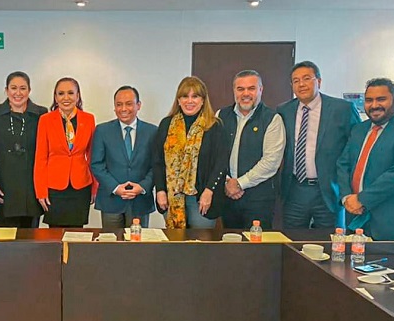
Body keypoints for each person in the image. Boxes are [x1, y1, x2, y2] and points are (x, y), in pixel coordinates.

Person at [337, 78, 394, 258]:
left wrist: (362, 199)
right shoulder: (359, 130)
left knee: (393, 274)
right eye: (369, 100)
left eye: (381, 99)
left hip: (392, 225)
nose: (374, 105)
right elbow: (343, 164)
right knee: (353, 273)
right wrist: (347, 197)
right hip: (356, 219)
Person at [277, 61, 361, 229]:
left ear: (319, 81)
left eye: (306, 78)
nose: (301, 84)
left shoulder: (342, 109)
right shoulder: (284, 110)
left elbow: (356, 147)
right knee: (292, 239)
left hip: (329, 190)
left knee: (330, 241)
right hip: (295, 190)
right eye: (296, 81)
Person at [153, 76, 228, 229]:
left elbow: (220, 163)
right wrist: (160, 190)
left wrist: (209, 191)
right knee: (175, 241)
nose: (189, 101)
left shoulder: (214, 126)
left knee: (201, 241)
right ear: (178, 100)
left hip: (201, 198)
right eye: (185, 96)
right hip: (172, 197)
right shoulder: (166, 124)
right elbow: (157, 161)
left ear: (203, 100)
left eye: (195, 96)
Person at [219, 70, 285, 229]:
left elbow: (271, 162)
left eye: (251, 88)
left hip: (259, 200)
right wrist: (227, 182)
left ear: (261, 90)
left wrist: (239, 184)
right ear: (234, 91)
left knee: (257, 243)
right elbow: (214, 155)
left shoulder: (272, 119)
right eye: (240, 89)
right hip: (227, 195)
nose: (245, 94)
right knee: (230, 241)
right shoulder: (221, 115)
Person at [0, 72, 48, 228]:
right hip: (4, 186)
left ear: (29, 90)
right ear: (6, 90)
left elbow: (46, 151)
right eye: (13, 88)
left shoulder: (41, 113)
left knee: (31, 238)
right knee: (7, 238)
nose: (18, 93)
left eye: (23, 88)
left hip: (32, 187)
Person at [91, 86, 158, 229]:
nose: (123, 109)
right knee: (111, 242)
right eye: (119, 104)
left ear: (138, 105)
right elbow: (96, 164)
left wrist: (142, 187)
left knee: (137, 243)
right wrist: (115, 188)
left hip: (140, 201)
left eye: (129, 104)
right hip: (111, 201)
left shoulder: (152, 131)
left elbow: (156, 165)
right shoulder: (102, 131)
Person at [34, 77, 96, 228]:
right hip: (54, 187)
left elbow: (92, 156)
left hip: (81, 187)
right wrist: (40, 191)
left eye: (70, 93)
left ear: (78, 96)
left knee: (77, 234)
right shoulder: (45, 120)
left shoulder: (88, 119)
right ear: (55, 97)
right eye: (61, 93)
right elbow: (40, 158)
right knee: (54, 234)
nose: (66, 98)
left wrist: (95, 187)